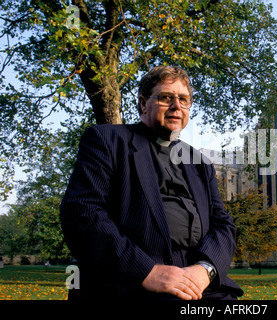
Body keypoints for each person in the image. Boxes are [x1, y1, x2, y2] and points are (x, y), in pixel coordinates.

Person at [60, 65, 243, 300]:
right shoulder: (107, 140)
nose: (177, 106)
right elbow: (81, 212)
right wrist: (145, 271)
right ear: (143, 104)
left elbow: (224, 225)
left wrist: (205, 269)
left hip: (200, 288)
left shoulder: (199, 163)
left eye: (184, 99)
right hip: (130, 286)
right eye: (166, 97)